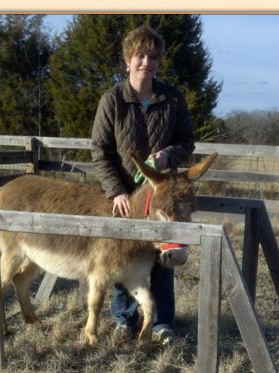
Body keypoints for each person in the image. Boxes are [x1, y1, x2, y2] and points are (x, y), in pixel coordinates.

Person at [91, 25, 195, 345]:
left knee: (163, 258)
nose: (146, 62)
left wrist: (168, 155)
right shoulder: (112, 100)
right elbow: (100, 152)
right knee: (125, 256)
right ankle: (124, 319)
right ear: (128, 60)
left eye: (152, 56)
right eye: (140, 55)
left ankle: (163, 322)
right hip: (125, 198)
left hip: (161, 194)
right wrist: (116, 191)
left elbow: (187, 143)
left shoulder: (173, 99)